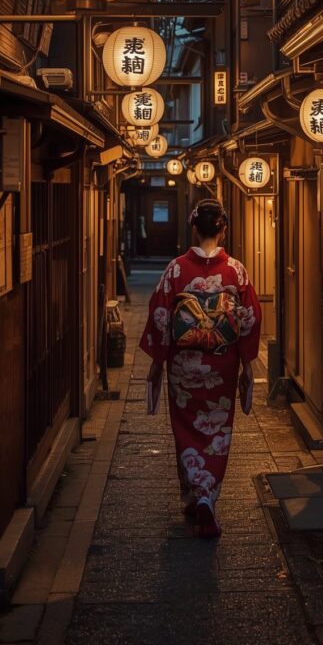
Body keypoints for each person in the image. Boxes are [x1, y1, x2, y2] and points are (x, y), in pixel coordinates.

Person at [139, 198, 261, 538]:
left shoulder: (176, 269)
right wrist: (247, 365)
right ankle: (206, 496)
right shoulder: (236, 271)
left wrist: (157, 362)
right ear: (223, 229)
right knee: (216, 432)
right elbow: (249, 319)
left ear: (194, 228)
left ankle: (197, 493)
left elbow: (162, 316)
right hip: (222, 363)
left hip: (184, 364)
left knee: (187, 428)